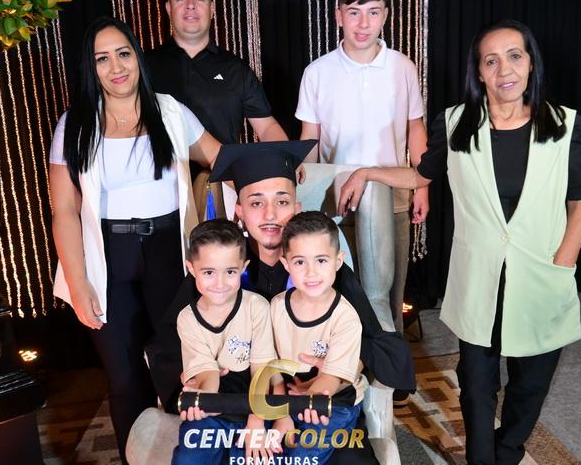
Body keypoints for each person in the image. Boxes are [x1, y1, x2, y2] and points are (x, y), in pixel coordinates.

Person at [338, 19, 581, 465]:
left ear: (531, 64)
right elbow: (420, 175)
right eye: (491, 61)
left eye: (514, 57)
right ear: (479, 72)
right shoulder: (456, 124)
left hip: (541, 276)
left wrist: (563, 261)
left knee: (531, 384)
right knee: (476, 384)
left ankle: (508, 449)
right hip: (480, 279)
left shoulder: (564, 126)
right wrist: (368, 172)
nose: (504, 70)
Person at [146, 140, 413, 464]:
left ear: (296, 208)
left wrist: (337, 369)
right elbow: (171, 344)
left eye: (282, 201)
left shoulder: (324, 274)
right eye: (256, 203)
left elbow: (372, 340)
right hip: (237, 406)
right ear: (239, 212)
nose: (270, 214)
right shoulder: (220, 272)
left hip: (315, 404)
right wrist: (200, 376)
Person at [48, 17, 220, 463]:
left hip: (170, 251)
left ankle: (186, 457)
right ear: (90, 69)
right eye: (102, 59)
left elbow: (220, 158)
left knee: (181, 369)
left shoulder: (169, 110)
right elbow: (64, 211)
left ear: (137, 57)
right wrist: (78, 283)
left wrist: (272, 171)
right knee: (125, 381)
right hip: (108, 257)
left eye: (123, 54)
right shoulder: (74, 124)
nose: (116, 67)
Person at [296, 0, 429, 337]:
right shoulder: (317, 73)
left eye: (373, 12)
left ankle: (390, 367)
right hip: (336, 200)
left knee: (389, 296)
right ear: (338, 15)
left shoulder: (402, 67)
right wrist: (304, 197)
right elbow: (310, 138)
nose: (363, 23)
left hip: (394, 196)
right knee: (341, 295)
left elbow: (416, 129)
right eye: (353, 12)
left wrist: (423, 186)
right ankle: (347, 368)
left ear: (385, 15)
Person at [146, 0, 288, 216]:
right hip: (162, 190)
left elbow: (266, 127)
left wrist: (285, 161)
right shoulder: (144, 68)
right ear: (168, 8)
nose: (190, 6)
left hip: (225, 187)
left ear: (212, 8)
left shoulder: (235, 69)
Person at [171, 219, 281, 463]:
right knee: (188, 457)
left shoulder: (256, 307)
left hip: (254, 406)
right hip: (216, 409)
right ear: (191, 268)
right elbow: (207, 372)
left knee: (253, 457)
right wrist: (204, 401)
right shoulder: (187, 318)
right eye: (209, 272)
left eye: (230, 272)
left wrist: (256, 422)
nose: (220, 283)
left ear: (243, 267)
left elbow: (262, 371)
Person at [271, 211, 366, 465]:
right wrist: (282, 413)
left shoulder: (346, 318)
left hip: (334, 403)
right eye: (300, 262)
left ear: (338, 261)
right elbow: (270, 366)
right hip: (288, 397)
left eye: (321, 260)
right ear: (286, 264)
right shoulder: (276, 307)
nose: (311, 272)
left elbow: (330, 379)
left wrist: (310, 400)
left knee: (302, 456)